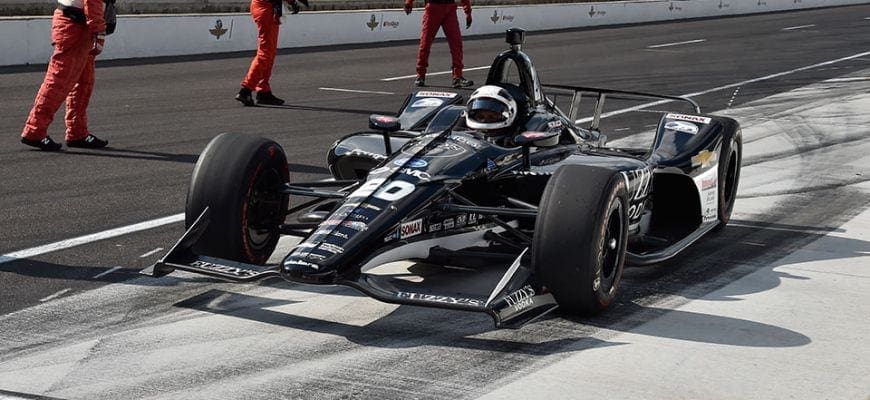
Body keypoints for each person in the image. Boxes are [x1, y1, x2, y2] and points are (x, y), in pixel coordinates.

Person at [20, 0, 109, 151]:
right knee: (58, 82)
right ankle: (34, 130)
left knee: (84, 82)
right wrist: (99, 32)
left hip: (79, 24)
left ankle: (77, 132)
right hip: (74, 25)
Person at [235, 0, 308, 106]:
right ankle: (246, 90)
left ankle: (263, 91)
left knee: (269, 52)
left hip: (266, 7)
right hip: (265, 8)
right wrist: (292, 2)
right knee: (265, 53)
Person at [404, 0, 474, 88]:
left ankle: (457, 77)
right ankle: (420, 75)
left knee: (456, 43)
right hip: (433, 7)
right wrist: (409, 1)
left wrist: (468, 11)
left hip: (449, 8)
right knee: (425, 43)